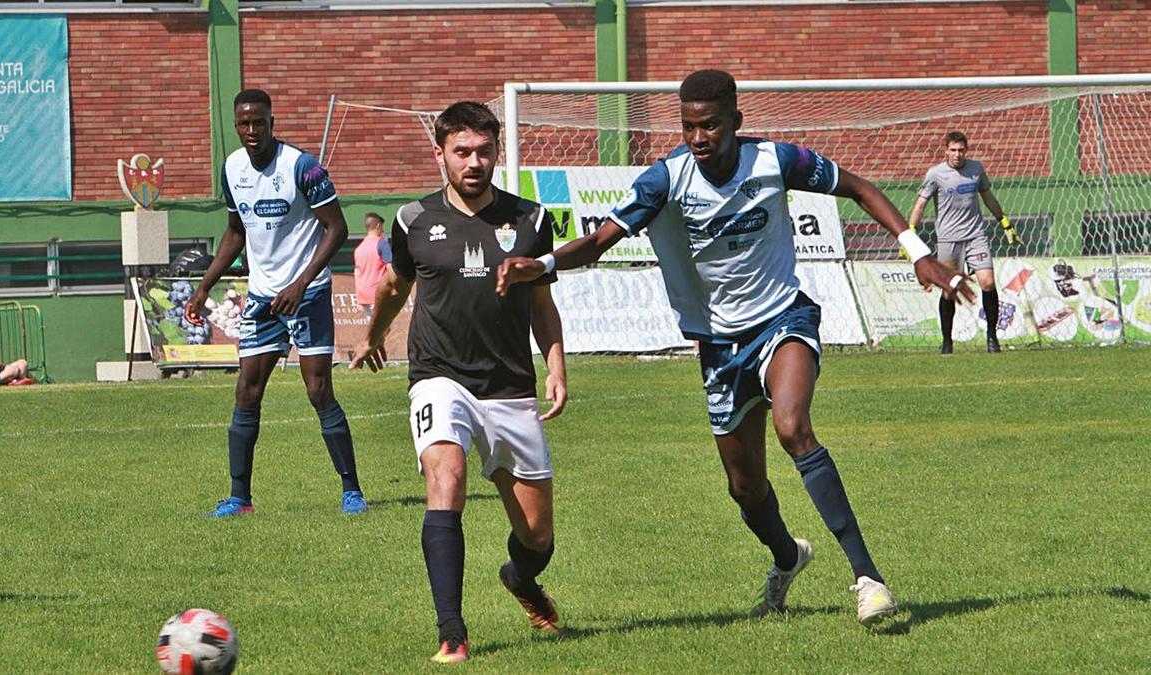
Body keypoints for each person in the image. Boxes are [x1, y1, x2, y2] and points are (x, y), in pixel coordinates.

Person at [497, 69, 975, 627]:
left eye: (710, 125)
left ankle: (868, 579)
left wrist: (916, 251)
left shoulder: (776, 160)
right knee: (745, 488)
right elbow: (602, 240)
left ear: (735, 122)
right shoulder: (666, 179)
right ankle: (788, 558)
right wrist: (546, 264)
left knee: (793, 426)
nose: (699, 138)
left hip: (782, 318)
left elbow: (860, 189)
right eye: (688, 126)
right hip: (720, 344)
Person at [350, 101, 567, 664]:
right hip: (438, 377)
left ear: (497, 152)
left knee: (538, 538)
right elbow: (395, 286)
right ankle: (452, 631)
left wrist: (556, 365)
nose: (474, 162)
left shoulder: (531, 220)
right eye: (461, 152)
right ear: (440, 154)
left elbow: (541, 302)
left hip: (511, 387)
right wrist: (375, 334)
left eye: (484, 151)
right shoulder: (411, 220)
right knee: (446, 475)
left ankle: (520, 581)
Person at [185, 88, 366, 518]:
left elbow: (337, 229)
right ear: (236, 125)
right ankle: (239, 498)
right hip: (264, 297)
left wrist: (302, 284)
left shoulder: (303, 167)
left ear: (272, 122)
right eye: (244, 123)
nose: (252, 131)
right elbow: (235, 231)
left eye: (259, 122)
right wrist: (204, 285)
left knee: (318, 390)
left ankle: (352, 491)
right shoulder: (231, 167)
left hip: (308, 294)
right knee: (246, 391)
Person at [908, 130, 1019, 354]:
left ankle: (992, 338)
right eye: (953, 150)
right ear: (946, 151)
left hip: (976, 236)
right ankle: (947, 342)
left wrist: (1004, 221)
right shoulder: (935, 174)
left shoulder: (976, 169)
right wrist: (910, 233)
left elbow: (988, 196)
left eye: (961, 150)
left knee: (987, 283)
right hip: (949, 240)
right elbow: (921, 204)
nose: (957, 154)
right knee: (949, 291)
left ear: (966, 150)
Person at [353, 212, 393, 321]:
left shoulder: (359, 249)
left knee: (375, 330)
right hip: (378, 295)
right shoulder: (382, 244)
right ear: (378, 226)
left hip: (364, 297)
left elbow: (357, 274)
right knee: (383, 330)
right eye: (382, 227)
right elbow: (390, 269)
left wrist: (359, 299)